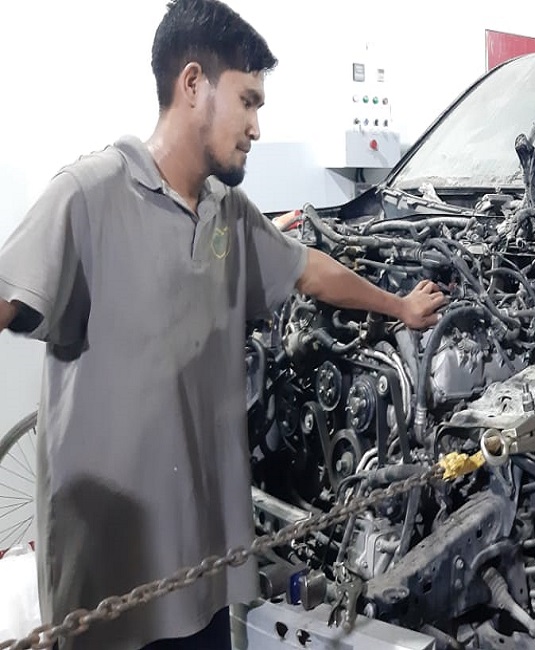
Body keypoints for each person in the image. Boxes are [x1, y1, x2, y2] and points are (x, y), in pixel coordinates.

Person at [0, 1, 445, 649]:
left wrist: (399, 307)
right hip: (111, 591)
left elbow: (309, 268)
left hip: (203, 577)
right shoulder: (88, 194)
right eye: (247, 101)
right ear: (192, 85)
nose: (257, 127)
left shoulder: (226, 211)